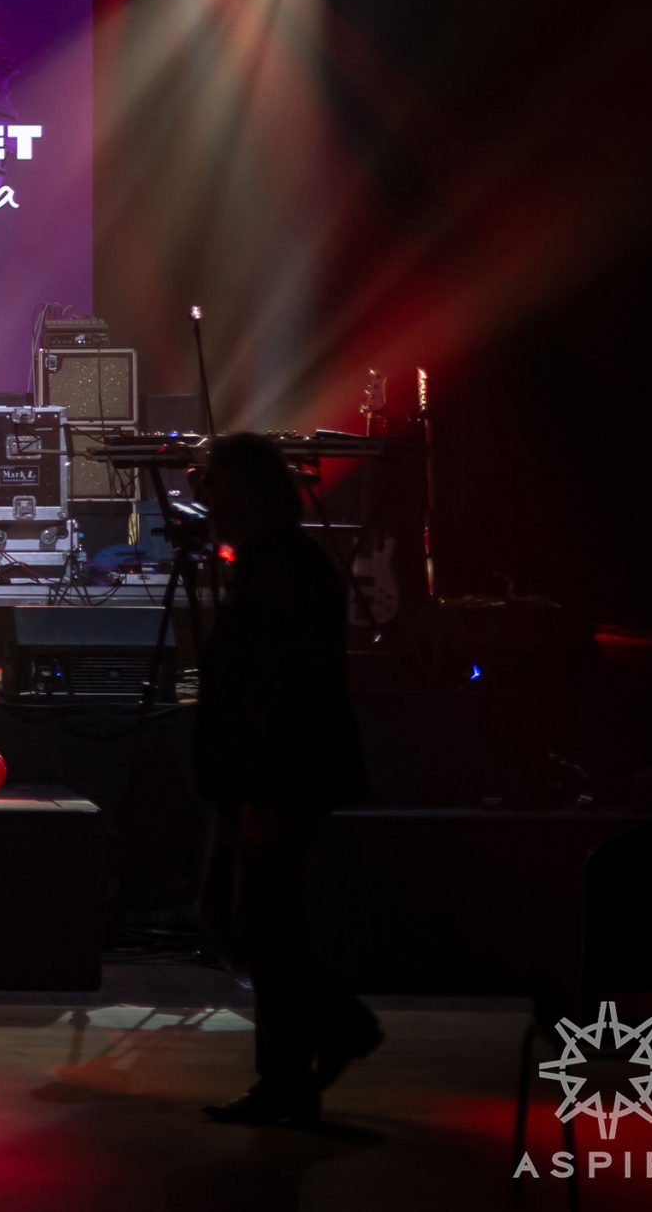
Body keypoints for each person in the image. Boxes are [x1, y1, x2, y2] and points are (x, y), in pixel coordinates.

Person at [193, 432, 379, 1128]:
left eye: (215, 485)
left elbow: (284, 691)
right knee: (241, 916)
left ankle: (290, 1076)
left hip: (278, 779)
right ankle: (337, 1026)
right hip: (263, 778)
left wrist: (264, 792)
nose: (205, 500)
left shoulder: (283, 570)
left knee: (262, 923)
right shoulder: (271, 563)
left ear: (245, 492)